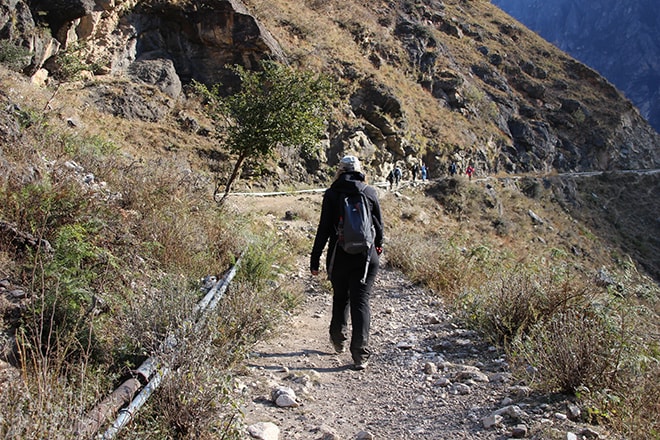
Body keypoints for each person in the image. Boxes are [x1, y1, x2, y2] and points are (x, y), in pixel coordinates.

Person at [310, 155, 384, 370]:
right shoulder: (369, 192)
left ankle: (338, 339)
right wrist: (378, 248)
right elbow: (379, 227)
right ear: (360, 170)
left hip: (338, 255)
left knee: (341, 297)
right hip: (366, 256)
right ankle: (360, 355)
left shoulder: (332, 194)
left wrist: (314, 259)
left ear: (340, 171)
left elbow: (323, 230)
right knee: (361, 301)